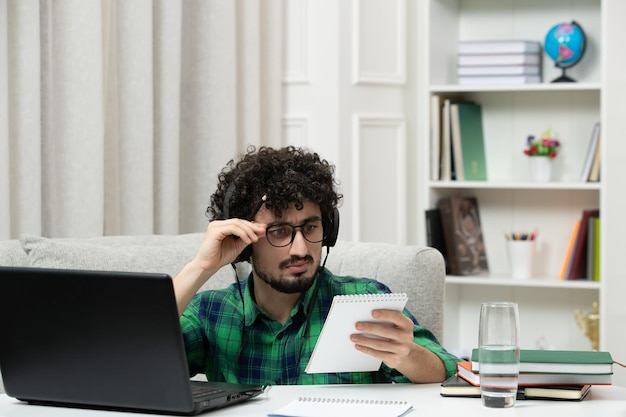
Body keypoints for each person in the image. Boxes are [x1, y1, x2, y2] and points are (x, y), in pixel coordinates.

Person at [173, 145, 459, 385]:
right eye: (279, 232)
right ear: (245, 241)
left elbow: (449, 373)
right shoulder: (211, 313)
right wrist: (200, 267)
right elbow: (133, 356)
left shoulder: (364, 300)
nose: (300, 249)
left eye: (310, 228)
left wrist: (407, 355)